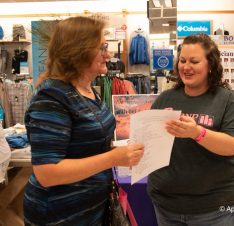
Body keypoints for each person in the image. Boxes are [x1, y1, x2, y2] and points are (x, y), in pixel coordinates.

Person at [23, 16, 144, 226]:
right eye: (102, 47)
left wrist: (117, 150)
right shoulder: (52, 97)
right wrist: (112, 158)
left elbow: (87, 142)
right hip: (59, 213)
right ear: (79, 51)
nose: (108, 54)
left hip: (90, 208)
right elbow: (47, 173)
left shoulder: (87, 90)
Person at [148, 34, 234, 226]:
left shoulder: (227, 99)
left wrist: (197, 133)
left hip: (215, 206)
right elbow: (151, 143)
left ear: (211, 65)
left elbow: (231, 146)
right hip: (166, 203)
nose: (186, 67)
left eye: (194, 61)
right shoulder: (165, 99)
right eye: (182, 61)